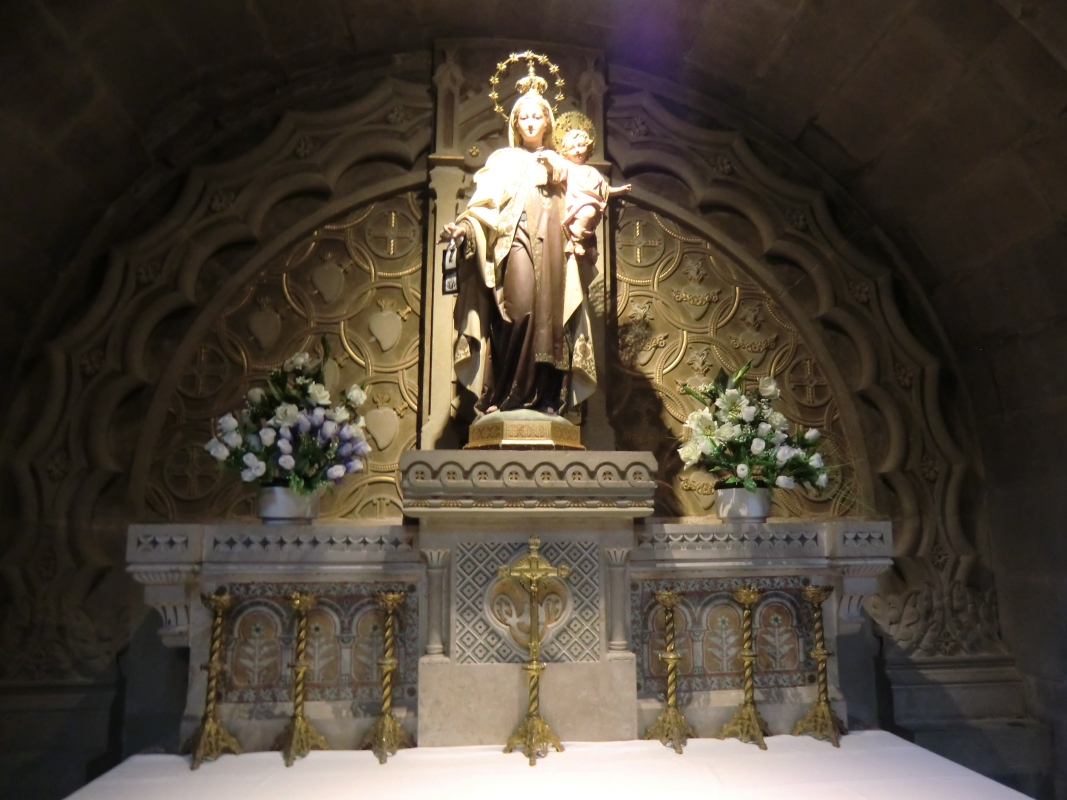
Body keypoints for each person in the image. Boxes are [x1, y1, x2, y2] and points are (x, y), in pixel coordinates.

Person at [438, 84, 596, 418]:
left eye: (536, 115)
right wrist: (463, 229)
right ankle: (508, 392)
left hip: (554, 246)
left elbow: (585, 201)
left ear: (548, 122)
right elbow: (482, 207)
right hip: (517, 241)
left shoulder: (560, 160)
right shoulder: (503, 160)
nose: (529, 121)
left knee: (552, 320)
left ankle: (549, 397)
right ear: (514, 123)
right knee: (519, 310)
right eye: (523, 116)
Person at [549, 128, 631, 258]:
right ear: (566, 152)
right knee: (587, 212)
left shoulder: (592, 171)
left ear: (588, 148)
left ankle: (581, 241)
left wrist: (620, 190)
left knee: (590, 213)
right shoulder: (568, 166)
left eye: (581, 146)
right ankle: (577, 242)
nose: (577, 150)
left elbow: (604, 190)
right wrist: (548, 163)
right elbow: (557, 173)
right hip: (576, 205)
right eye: (572, 148)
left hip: (591, 204)